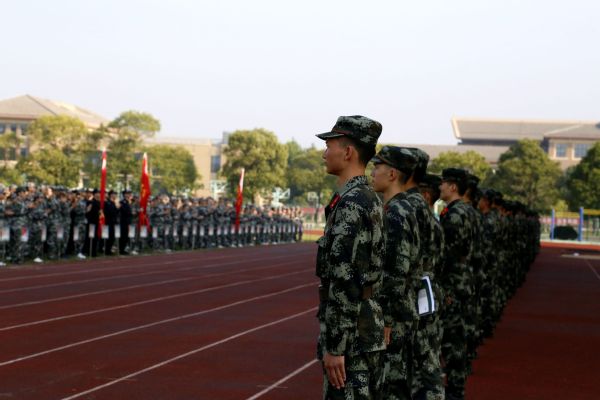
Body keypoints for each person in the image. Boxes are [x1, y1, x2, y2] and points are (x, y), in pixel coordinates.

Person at [315, 115, 385, 399]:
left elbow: (346, 279)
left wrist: (336, 346)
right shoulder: (364, 197)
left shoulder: (353, 204)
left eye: (329, 146)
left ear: (348, 152)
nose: (324, 153)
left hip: (353, 338)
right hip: (363, 329)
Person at [370, 146, 421, 400]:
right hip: (401, 311)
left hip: (393, 317)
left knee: (390, 386)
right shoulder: (403, 208)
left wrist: (387, 319)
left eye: (377, 168)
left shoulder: (396, 214)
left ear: (392, 174)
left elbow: (396, 271)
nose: (372, 173)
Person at [438, 168, 474, 400]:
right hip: (463, 280)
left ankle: (455, 389)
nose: (440, 187)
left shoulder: (454, 214)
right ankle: (456, 386)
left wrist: (446, 289)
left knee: (452, 341)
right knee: (457, 337)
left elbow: (448, 254)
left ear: (453, 187)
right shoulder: (466, 210)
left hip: (453, 283)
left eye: (443, 183)